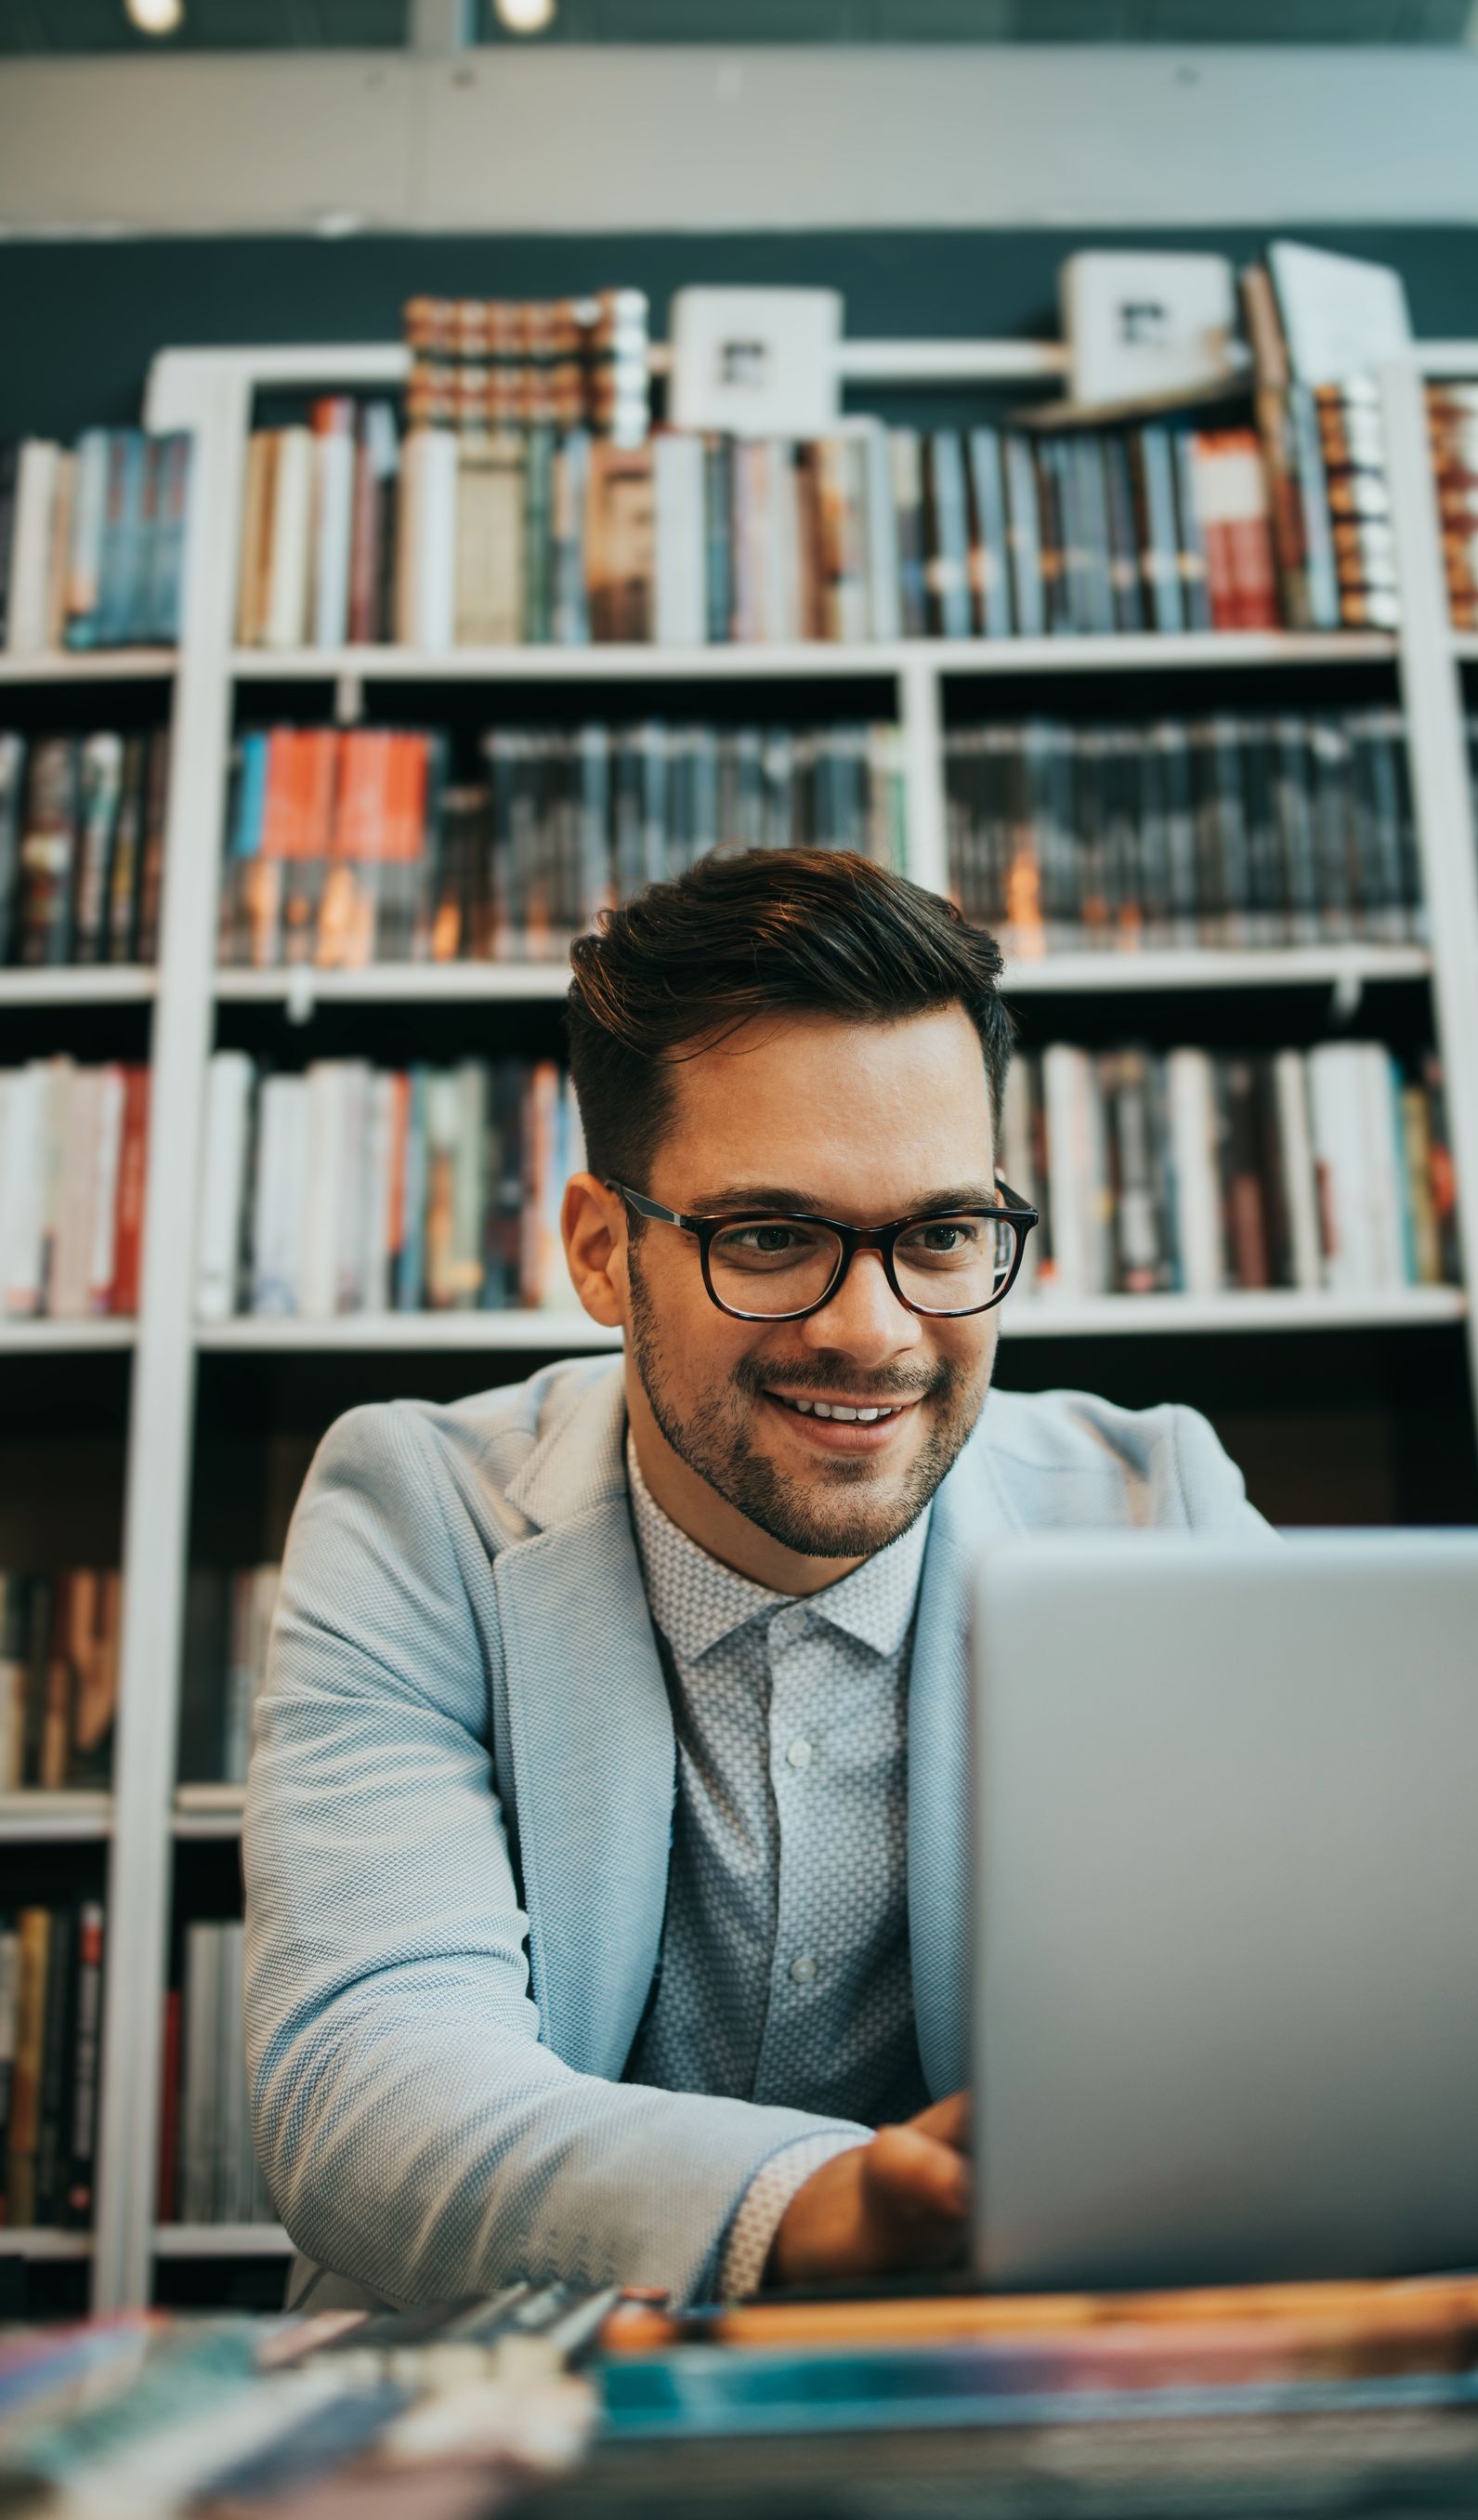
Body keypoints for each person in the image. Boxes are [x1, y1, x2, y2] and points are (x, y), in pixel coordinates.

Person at [244, 849, 1270, 2311]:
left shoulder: (1156, 1508)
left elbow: (1317, 2024)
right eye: (772, 1237)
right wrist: (806, 2209)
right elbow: (366, 2084)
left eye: (940, 1235)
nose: (874, 1330)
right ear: (605, 1254)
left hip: (1026, 2391)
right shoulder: (419, 1510)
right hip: (529, 2398)